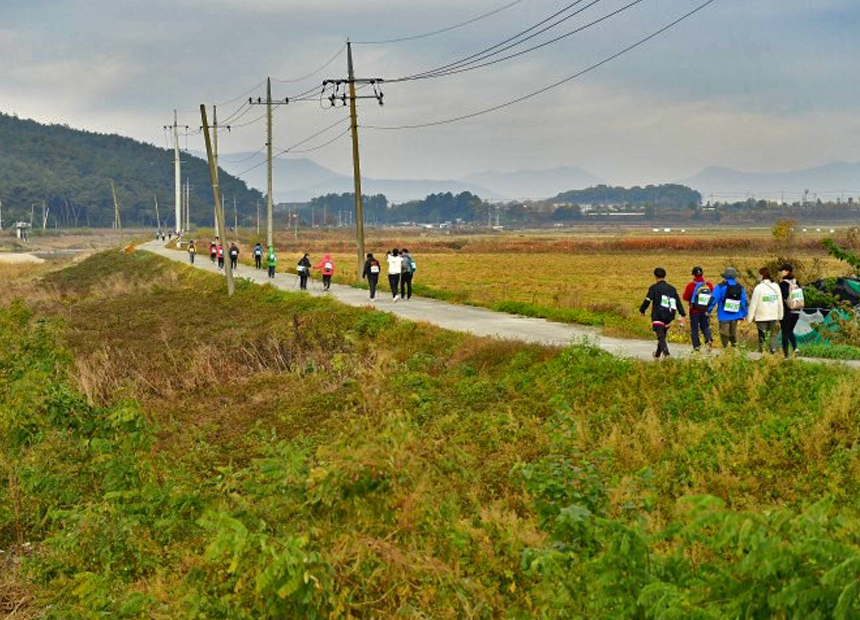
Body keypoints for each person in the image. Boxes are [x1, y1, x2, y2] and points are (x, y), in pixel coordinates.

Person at [639, 267, 686, 359]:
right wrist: (682, 314)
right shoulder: (672, 289)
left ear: (655, 276)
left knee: (660, 335)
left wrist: (642, 310)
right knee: (662, 336)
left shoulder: (654, 288)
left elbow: (648, 300)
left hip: (658, 314)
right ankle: (657, 355)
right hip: (670, 315)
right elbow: (678, 302)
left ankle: (666, 354)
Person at [707, 267, 748, 348]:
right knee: (733, 332)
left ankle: (725, 348)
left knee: (724, 333)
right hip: (736, 314)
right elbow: (744, 302)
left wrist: (708, 310)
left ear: (725, 276)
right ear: (735, 276)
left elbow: (714, 299)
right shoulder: (740, 287)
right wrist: (744, 314)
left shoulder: (720, 286)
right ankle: (734, 347)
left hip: (723, 315)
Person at [748, 267, 784, 354]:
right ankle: (773, 349)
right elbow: (780, 302)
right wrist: (780, 315)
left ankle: (762, 350)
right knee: (772, 334)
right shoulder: (776, 286)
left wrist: (749, 317)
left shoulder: (758, 288)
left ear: (762, 275)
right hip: (773, 315)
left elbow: (753, 304)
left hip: (761, 316)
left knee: (762, 334)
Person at [682, 266, 714, 352]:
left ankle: (696, 347)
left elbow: (685, 297)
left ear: (693, 275)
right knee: (705, 326)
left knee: (694, 328)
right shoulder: (709, 285)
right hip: (705, 310)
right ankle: (708, 339)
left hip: (694, 310)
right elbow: (712, 296)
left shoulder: (691, 285)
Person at [779, 263, 803, 358]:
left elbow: (782, 297)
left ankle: (786, 354)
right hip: (797, 310)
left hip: (787, 311)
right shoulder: (797, 283)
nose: (780, 272)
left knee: (784, 332)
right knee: (790, 330)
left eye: (782, 270)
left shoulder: (783, 284)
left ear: (787, 271)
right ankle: (795, 347)